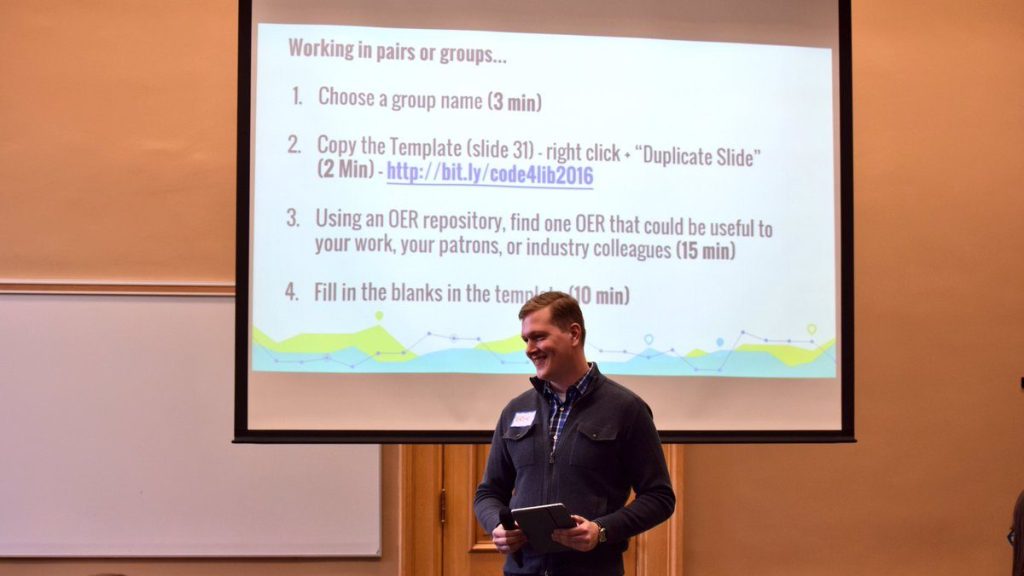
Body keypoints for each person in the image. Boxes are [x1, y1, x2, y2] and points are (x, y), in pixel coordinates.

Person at [474, 291, 675, 576]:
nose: (530, 349)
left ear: (574, 334)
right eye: (526, 340)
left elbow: (659, 497)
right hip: (522, 571)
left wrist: (601, 530)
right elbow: (488, 493)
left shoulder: (626, 409)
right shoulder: (515, 410)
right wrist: (497, 524)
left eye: (539, 337)